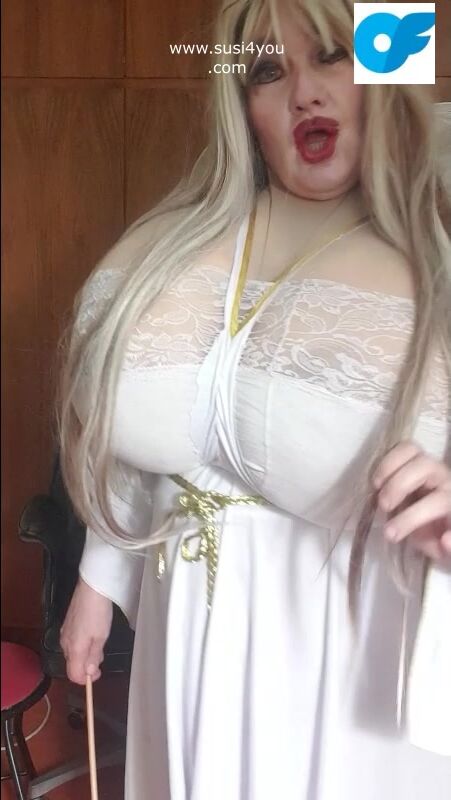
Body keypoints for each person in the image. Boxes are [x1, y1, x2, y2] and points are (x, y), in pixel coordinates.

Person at [57, 1, 451, 797]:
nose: (303, 91)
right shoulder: (186, 242)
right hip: (183, 638)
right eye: (268, 70)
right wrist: (97, 579)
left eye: (332, 54)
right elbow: (151, 437)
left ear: (383, 70)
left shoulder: (433, 253)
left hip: (347, 673)